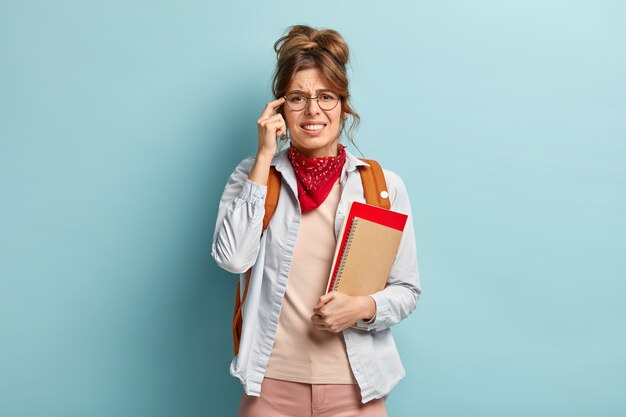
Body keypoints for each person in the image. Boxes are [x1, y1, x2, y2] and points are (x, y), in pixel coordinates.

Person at [211, 24, 421, 417]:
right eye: (297, 98)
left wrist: (361, 308)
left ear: (343, 104)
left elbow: (407, 289)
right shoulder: (252, 176)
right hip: (270, 389)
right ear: (278, 108)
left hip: (356, 390)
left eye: (326, 96)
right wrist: (262, 159)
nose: (312, 111)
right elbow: (233, 259)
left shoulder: (381, 187)